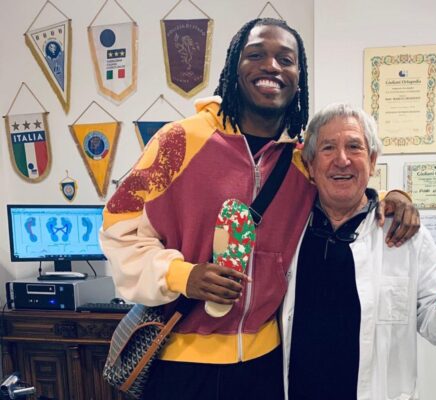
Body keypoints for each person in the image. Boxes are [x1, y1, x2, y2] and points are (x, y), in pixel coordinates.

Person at [99, 19, 419, 400]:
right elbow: (118, 230)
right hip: (181, 364)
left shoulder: (301, 161)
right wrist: (182, 275)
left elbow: (345, 192)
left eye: (286, 59)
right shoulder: (178, 142)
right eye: (256, 55)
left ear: (299, 78)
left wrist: (393, 199)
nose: (271, 66)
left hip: (265, 366)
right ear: (235, 66)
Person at [280, 103, 436, 400]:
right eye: (328, 148)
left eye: (354, 147)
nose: (342, 160)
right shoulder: (287, 231)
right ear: (310, 165)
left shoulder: (406, 236)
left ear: (372, 161)